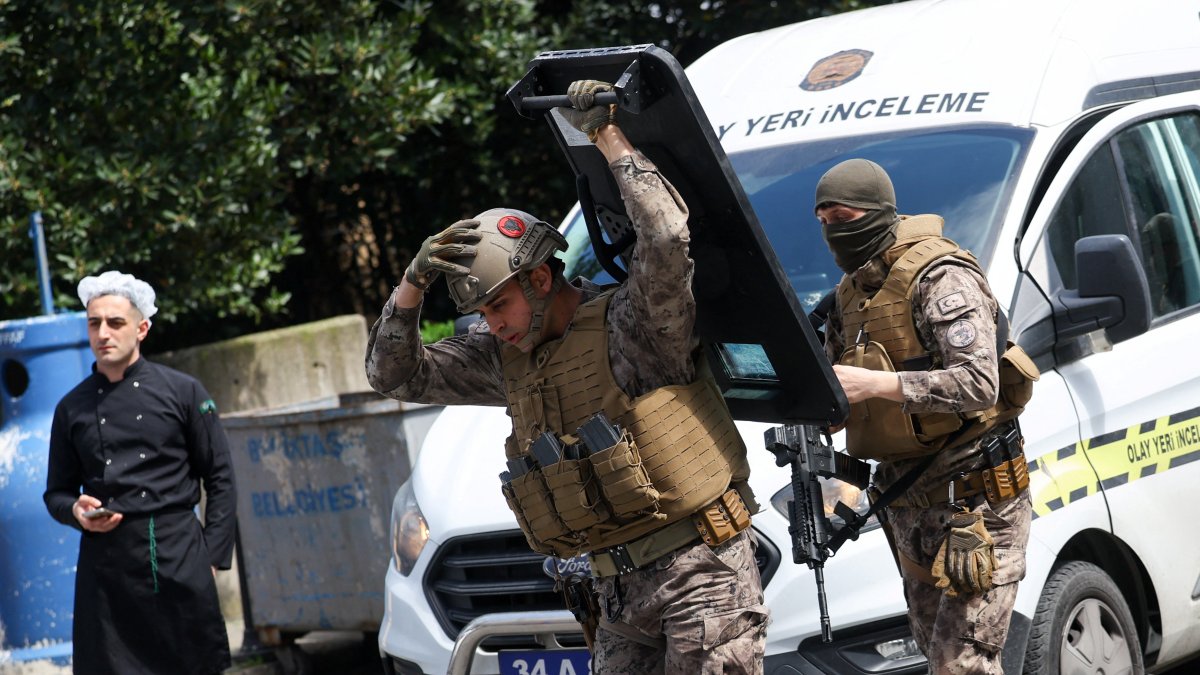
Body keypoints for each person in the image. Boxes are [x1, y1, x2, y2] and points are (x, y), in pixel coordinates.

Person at [366, 80, 768, 673]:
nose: (493, 325)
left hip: (700, 574)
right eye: (482, 314)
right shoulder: (504, 359)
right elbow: (394, 377)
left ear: (540, 279)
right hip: (616, 594)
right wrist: (411, 286)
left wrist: (606, 133)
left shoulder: (635, 326)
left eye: (499, 306)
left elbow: (665, 237)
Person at [814, 159, 1034, 674]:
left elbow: (979, 383)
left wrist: (879, 385)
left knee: (962, 665)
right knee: (939, 660)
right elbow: (838, 385)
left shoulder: (941, 276)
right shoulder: (850, 295)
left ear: (876, 213)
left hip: (975, 505)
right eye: (822, 221)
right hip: (907, 506)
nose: (832, 232)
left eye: (842, 218)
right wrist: (828, 411)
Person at [44, 270, 237, 675]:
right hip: (106, 568)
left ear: (142, 328)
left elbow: (219, 475)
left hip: (178, 554)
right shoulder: (71, 408)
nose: (103, 333)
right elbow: (56, 493)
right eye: (94, 323)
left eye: (115, 322)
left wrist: (212, 556)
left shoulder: (183, 392)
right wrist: (76, 512)